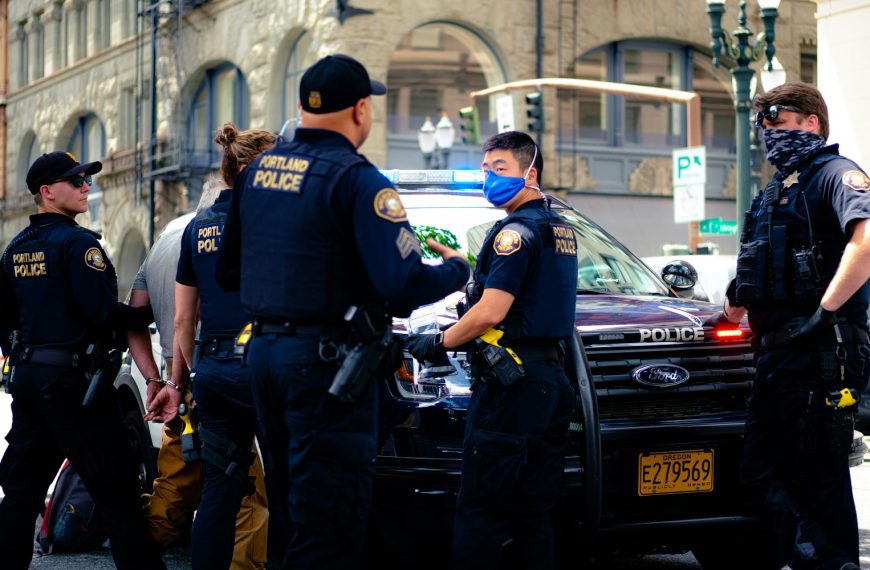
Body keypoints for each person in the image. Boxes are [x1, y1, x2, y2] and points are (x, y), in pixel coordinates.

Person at [216, 53, 471, 568]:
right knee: (331, 522)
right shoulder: (360, 180)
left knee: (290, 512)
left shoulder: (258, 172)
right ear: (360, 110)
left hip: (264, 357)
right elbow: (401, 286)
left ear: (302, 107)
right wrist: (457, 271)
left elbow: (227, 273)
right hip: (327, 366)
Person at [407, 131, 578, 569]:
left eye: (500, 169)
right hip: (550, 382)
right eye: (485, 170)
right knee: (533, 510)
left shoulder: (514, 234)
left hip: (512, 387)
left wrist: (437, 342)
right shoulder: (560, 228)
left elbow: (490, 312)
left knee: (482, 507)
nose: (489, 178)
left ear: (530, 172)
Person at [720, 82, 870, 570]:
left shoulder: (836, 174)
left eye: (779, 125)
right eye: (764, 128)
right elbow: (756, 265)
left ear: (812, 123)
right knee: (766, 473)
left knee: (815, 478)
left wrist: (825, 311)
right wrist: (727, 315)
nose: (770, 137)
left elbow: (865, 242)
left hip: (819, 352)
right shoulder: (778, 189)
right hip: (777, 355)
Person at [0, 151, 164, 569]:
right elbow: (104, 314)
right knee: (117, 489)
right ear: (47, 192)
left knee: (20, 493)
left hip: (32, 381)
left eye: (85, 179)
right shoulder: (79, 244)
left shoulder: (15, 249)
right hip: (76, 389)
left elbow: (4, 322)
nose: (85, 186)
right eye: (76, 181)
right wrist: (155, 310)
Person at [128, 173, 269, 568]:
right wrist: (187, 376)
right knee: (246, 491)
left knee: (177, 477)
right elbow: (191, 320)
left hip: (181, 377)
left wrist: (157, 378)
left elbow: (134, 316)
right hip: (210, 367)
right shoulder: (224, 240)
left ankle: (137, 549)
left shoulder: (162, 244)